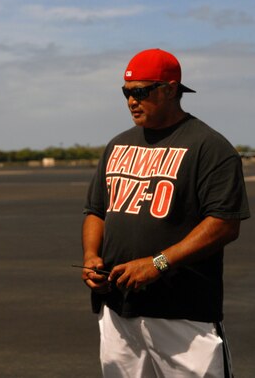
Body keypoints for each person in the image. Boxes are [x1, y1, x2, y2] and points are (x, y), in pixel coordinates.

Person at [82, 48, 250, 377]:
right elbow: (96, 211)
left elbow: (225, 223)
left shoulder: (209, 147)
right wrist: (91, 257)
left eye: (141, 92)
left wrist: (158, 263)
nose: (132, 100)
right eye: (126, 92)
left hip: (184, 316)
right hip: (119, 312)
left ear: (171, 89)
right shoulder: (117, 145)